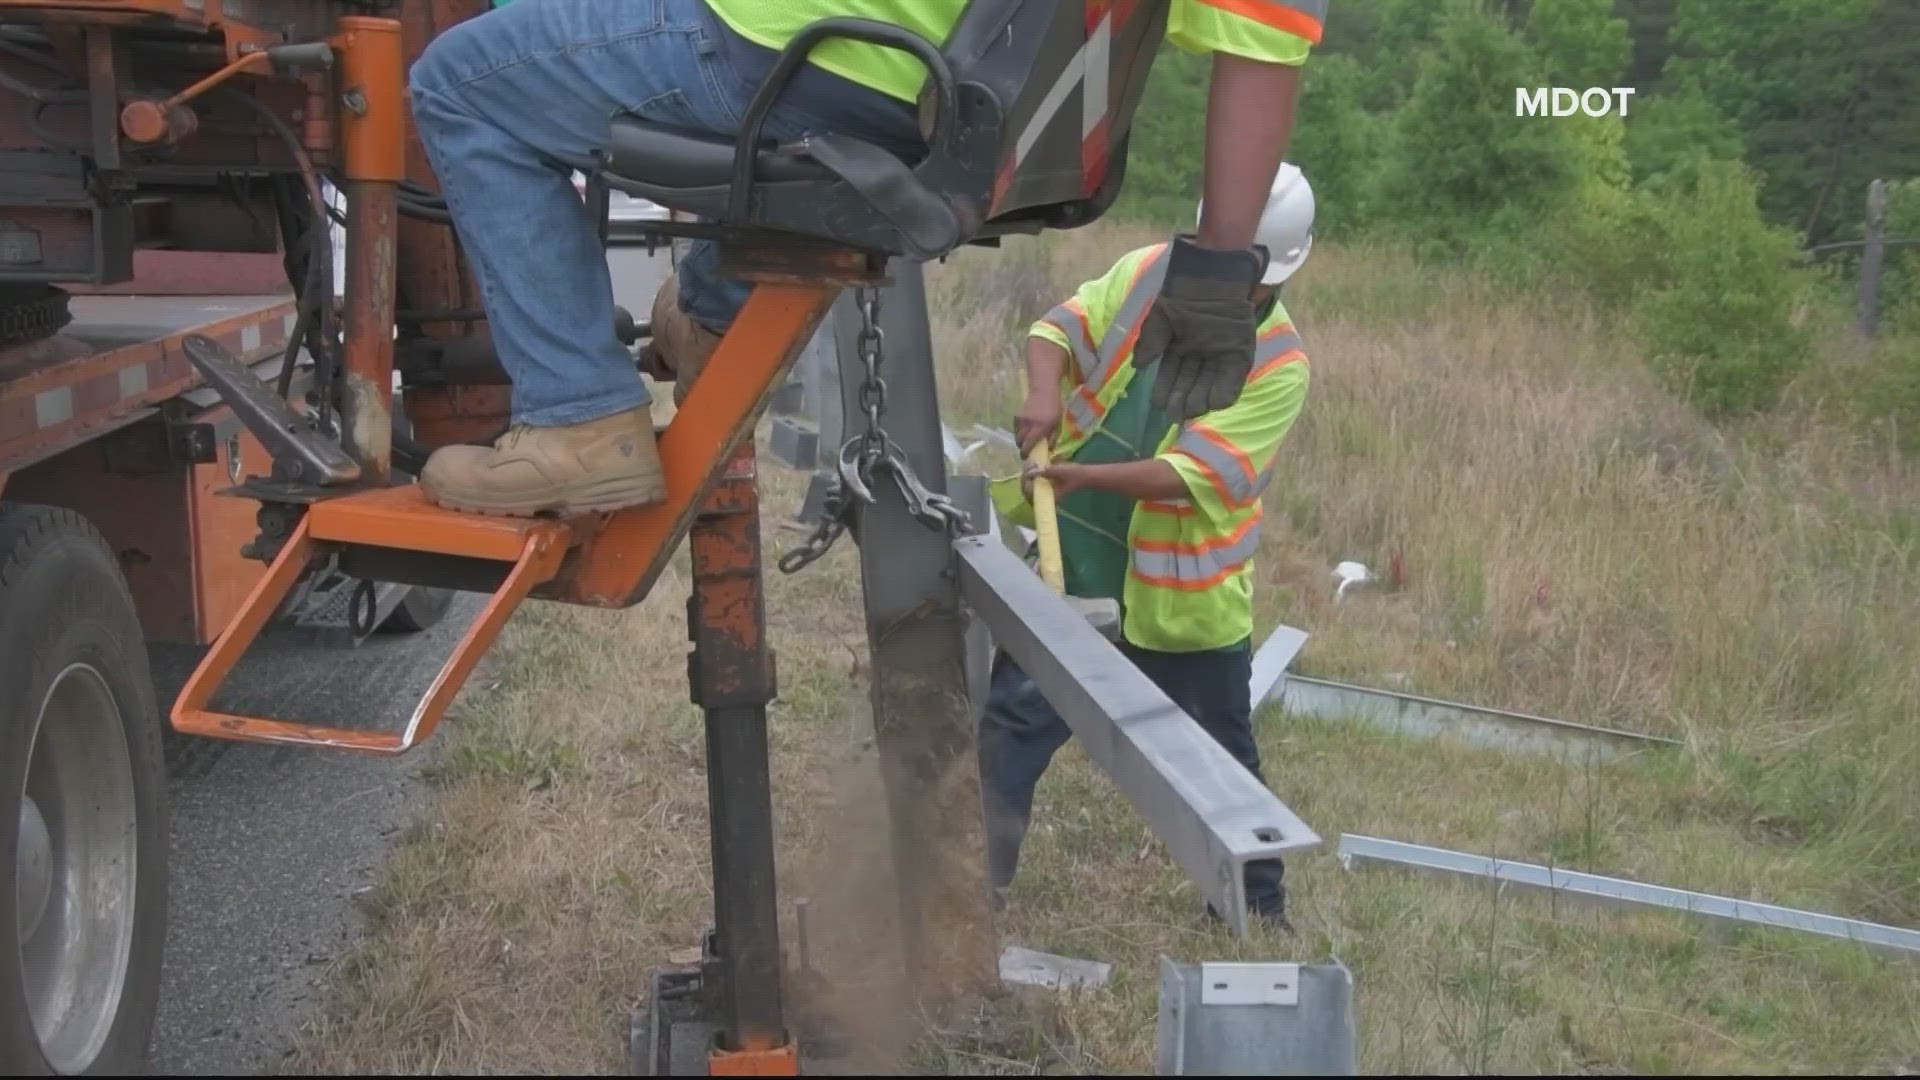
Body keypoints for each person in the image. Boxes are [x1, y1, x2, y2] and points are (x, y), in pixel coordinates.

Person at [406, 0, 1324, 517]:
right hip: (943, 105)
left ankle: (577, 419)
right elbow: (1262, 51)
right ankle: (710, 323)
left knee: (461, 84)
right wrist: (1216, 263)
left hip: (811, 44)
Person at [981, 164, 1315, 927]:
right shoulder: (1147, 274)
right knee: (1014, 728)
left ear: (1273, 274)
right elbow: (1058, 329)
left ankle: (1254, 915)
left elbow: (1187, 475)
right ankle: (975, 889)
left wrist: (1078, 477)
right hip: (1079, 569)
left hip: (1179, 606)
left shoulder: (1280, 366)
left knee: (1223, 766)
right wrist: (1043, 393)